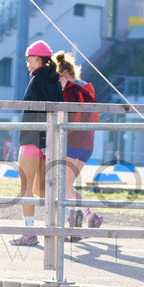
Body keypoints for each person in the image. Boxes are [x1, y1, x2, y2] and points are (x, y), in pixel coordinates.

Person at [10, 40, 62, 246]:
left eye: (29, 57)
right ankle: (62, 222)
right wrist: (47, 143)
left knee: (25, 186)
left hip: (32, 139)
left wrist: (40, 141)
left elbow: (37, 112)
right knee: (42, 189)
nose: (27, 61)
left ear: (38, 58)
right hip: (49, 140)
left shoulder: (36, 80)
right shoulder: (55, 80)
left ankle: (29, 233)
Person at [55, 51, 103, 240]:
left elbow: (70, 118)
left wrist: (60, 133)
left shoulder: (72, 90)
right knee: (67, 186)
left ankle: (82, 222)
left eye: (58, 81)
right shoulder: (87, 89)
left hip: (73, 141)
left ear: (64, 75)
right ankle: (87, 219)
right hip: (88, 143)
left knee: (62, 187)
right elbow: (95, 116)